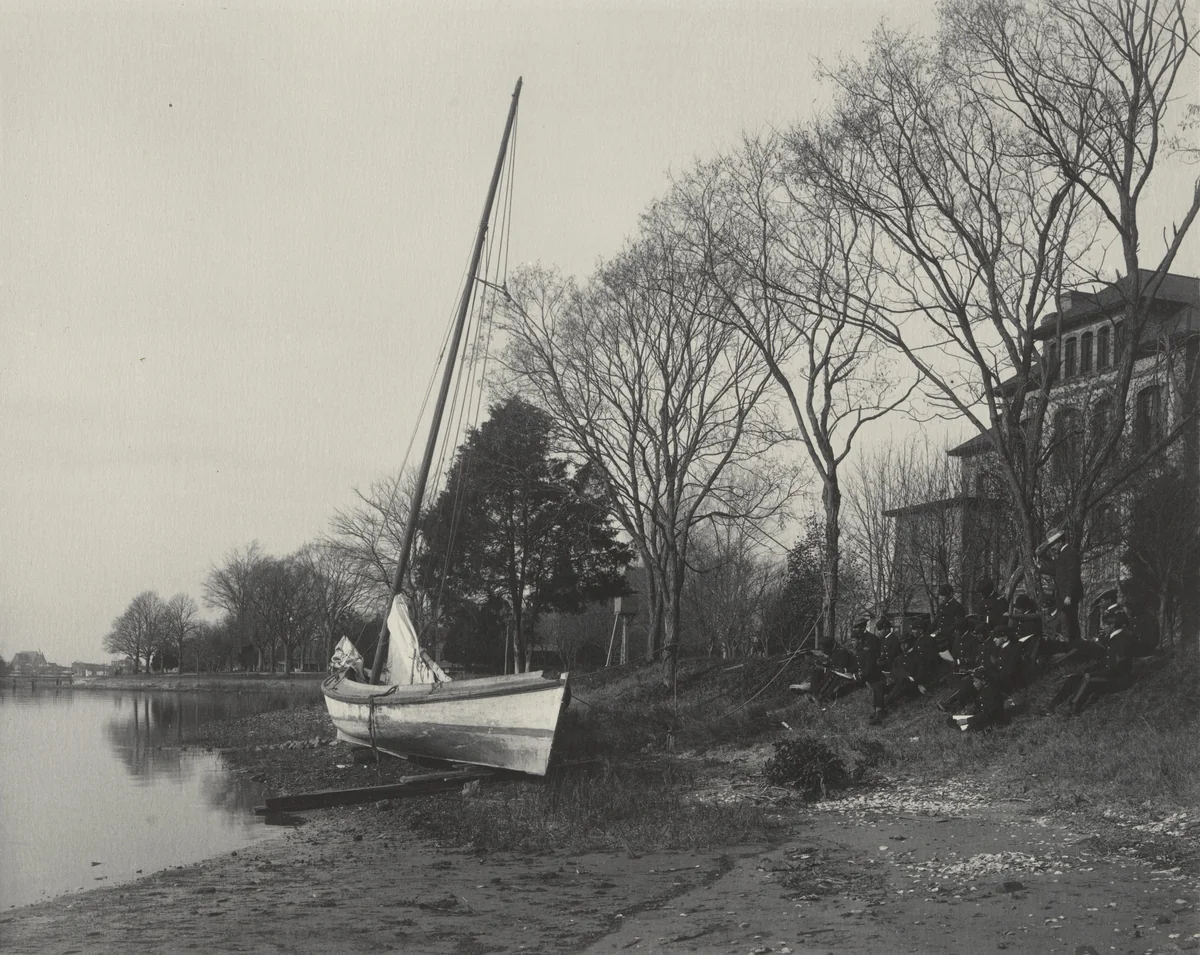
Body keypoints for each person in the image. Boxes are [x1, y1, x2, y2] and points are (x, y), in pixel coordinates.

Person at [1064, 624, 1137, 713]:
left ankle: (1074, 708)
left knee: (1089, 680)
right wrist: (1088, 670)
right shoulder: (1115, 640)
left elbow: (1116, 668)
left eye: (1106, 625)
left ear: (1112, 626)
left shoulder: (1122, 642)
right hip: (1112, 676)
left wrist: (1094, 674)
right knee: (1082, 677)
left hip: (1120, 681)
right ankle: (1070, 703)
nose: (1103, 627)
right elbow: (1106, 661)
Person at [1038, 529, 1083, 643]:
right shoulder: (1064, 553)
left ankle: (1075, 645)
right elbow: (1058, 571)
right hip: (1063, 595)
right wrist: (1041, 567)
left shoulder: (1070, 553)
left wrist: (1069, 595)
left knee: (1071, 620)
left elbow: (1073, 576)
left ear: (1060, 542)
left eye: (1053, 544)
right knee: (1067, 620)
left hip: (1068, 596)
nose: (1052, 547)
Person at [856, 620, 887, 725]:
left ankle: (878, 710)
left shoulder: (872, 639)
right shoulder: (857, 639)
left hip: (874, 668)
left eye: (858, 628)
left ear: (863, 627)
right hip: (865, 669)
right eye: (855, 628)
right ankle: (877, 709)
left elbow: (876, 655)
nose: (856, 630)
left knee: (876, 686)